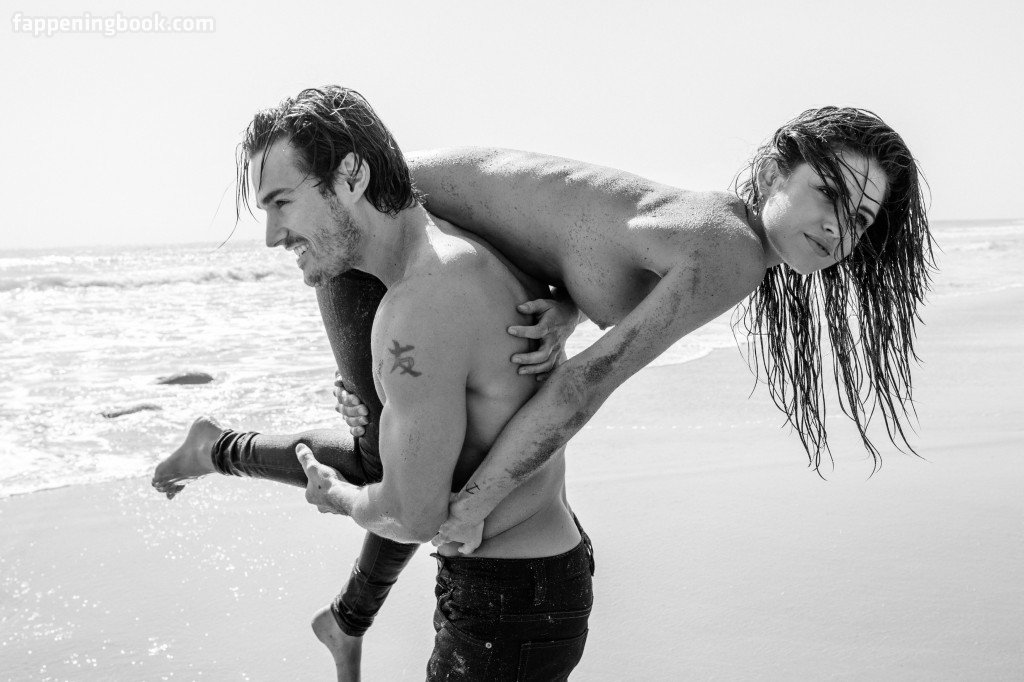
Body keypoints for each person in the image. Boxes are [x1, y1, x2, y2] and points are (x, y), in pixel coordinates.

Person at [156, 96, 935, 673]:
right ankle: (223, 455)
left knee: (421, 463)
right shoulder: (729, 251)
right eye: (830, 193)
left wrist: (563, 307)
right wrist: (476, 502)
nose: (838, 227)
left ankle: (345, 614)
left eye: (860, 220)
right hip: (373, 219)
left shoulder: (721, 235)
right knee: (402, 467)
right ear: (778, 167)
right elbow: (581, 389)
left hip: (435, 223)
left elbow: (572, 248)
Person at [153, 86, 594, 682]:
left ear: (352, 176)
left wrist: (334, 495)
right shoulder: (466, 252)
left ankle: (220, 452)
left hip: (508, 602)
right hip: (540, 574)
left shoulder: (419, 306)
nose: (273, 235)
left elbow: (411, 517)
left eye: (282, 202)